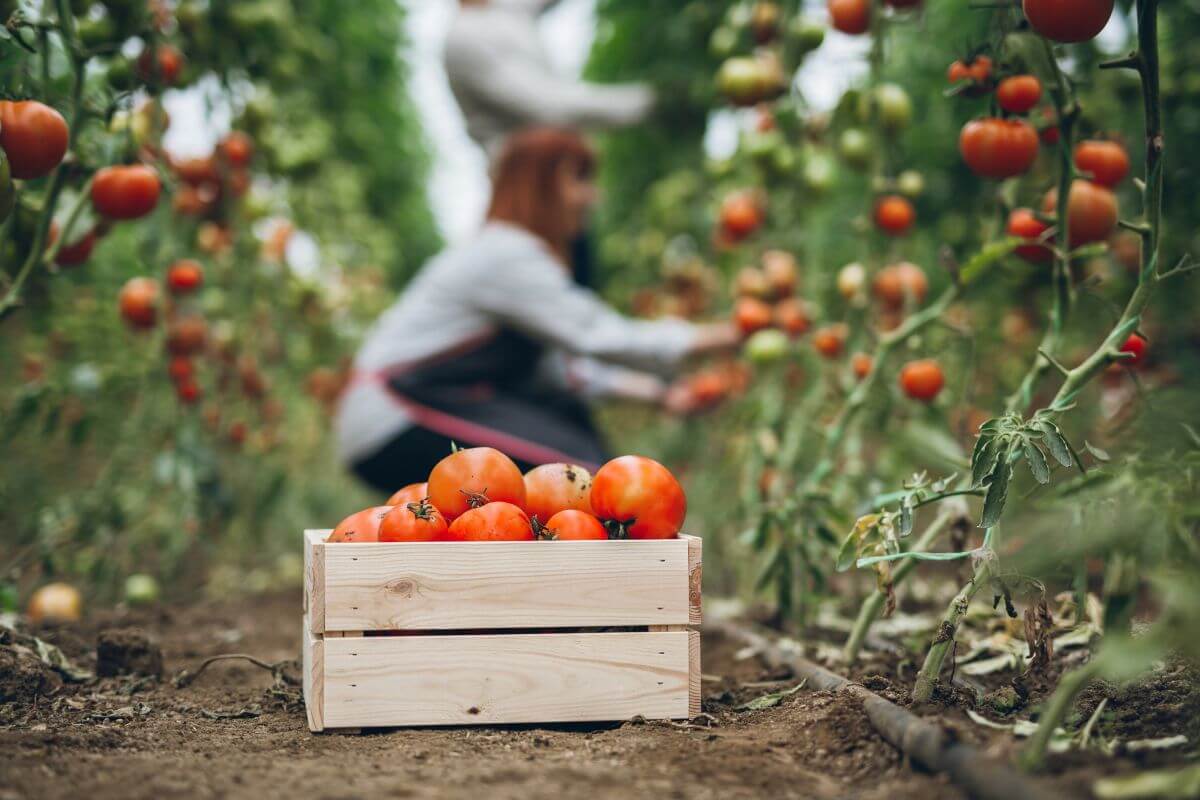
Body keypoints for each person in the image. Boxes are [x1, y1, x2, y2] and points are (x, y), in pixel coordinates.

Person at [335, 128, 738, 493]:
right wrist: (727, 334)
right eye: (579, 179)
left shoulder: (505, 253)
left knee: (577, 449)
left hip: (413, 408)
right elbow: (597, 334)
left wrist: (660, 394)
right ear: (540, 186)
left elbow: (558, 371)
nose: (592, 196)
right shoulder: (506, 254)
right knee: (583, 480)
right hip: (396, 415)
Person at [443, 0, 656, 163]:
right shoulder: (464, 39)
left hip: (553, 170)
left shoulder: (502, 11)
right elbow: (549, 107)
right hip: (523, 179)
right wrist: (651, 101)